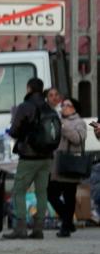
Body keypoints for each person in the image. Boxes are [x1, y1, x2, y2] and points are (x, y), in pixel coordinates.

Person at [2, 78, 55, 240]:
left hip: (29, 156)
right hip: (47, 157)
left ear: (29, 88)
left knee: (18, 190)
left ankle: (21, 228)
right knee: (41, 192)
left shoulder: (25, 107)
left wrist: (12, 131)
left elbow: (14, 131)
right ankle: (38, 229)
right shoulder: (49, 108)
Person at [48, 97, 87, 238]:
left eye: (67, 105)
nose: (64, 107)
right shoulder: (58, 120)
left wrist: (64, 127)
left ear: (74, 108)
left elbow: (78, 138)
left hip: (71, 164)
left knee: (69, 196)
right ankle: (68, 220)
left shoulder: (79, 122)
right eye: (62, 105)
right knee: (51, 194)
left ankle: (66, 227)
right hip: (58, 165)